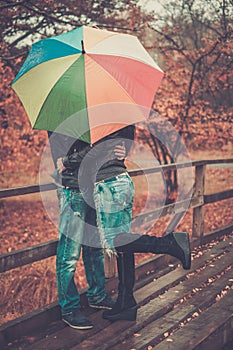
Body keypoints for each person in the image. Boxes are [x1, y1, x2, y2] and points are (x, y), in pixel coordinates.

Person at [60, 125, 191, 323]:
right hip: (113, 183)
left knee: (117, 241)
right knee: (123, 244)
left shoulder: (104, 117)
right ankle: (126, 303)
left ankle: (170, 244)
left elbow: (96, 149)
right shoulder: (111, 115)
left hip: (109, 184)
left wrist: (66, 161)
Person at [48, 131, 125, 330]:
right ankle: (70, 308)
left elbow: (106, 146)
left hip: (95, 186)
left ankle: (97, 294)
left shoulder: (94, 114)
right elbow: (77, 154)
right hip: (73, 189)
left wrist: (122, 151)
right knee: (69, 253)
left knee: (94, 246)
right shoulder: (62, 116)